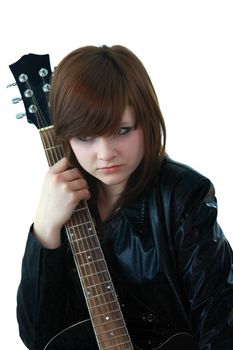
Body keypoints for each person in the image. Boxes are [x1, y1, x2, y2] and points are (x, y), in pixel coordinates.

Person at [17, 45, 233, 350]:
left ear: (146, 120)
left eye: (122, 130)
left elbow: (220, 323)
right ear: (65, 135)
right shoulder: (61, 204)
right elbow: (39, 338)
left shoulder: (184, 197)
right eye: (86, 137)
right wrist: (44, 231)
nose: (105, 154)